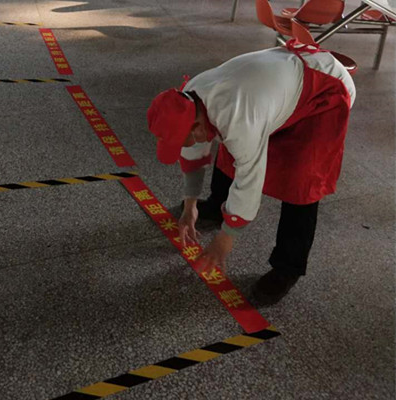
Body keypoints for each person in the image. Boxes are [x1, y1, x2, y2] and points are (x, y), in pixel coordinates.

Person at [146, 40, 356, 305]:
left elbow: (250, 179)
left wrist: (226, 238)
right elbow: (193, 152)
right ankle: (215, 206)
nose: (185, 144)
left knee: (302, 182)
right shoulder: (187, 99)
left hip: (325, 88)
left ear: (196, 125)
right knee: (229, 151)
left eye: (184, 139)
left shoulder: (238, 118)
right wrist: (190, 207)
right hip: (276, 85)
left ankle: (287, 268)